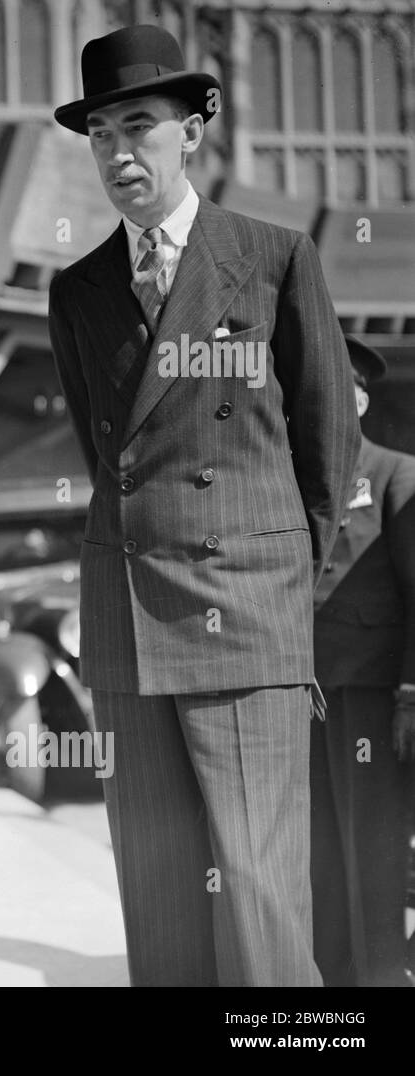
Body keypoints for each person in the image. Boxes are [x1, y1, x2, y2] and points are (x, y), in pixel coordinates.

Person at [47, 25, 361, 986]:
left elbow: (327, 445)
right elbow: (104, 449)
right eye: (99, 133)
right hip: (128, 617)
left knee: (263, 897)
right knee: (159, 894)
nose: (116, 152)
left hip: (245, 609)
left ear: (193, 130)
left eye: (138, 125)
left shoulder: (272, 257)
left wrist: (273, 580)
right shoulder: (79, 287)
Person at [310, 333, 415, 987]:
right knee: (318, 843)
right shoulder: (291, 479)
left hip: (370, 692)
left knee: (372, 841)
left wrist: (409, 690)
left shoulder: (395, 474)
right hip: (301, 693)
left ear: (358, 399)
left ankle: (380, 973)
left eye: (337, 392)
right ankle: (328, 972)